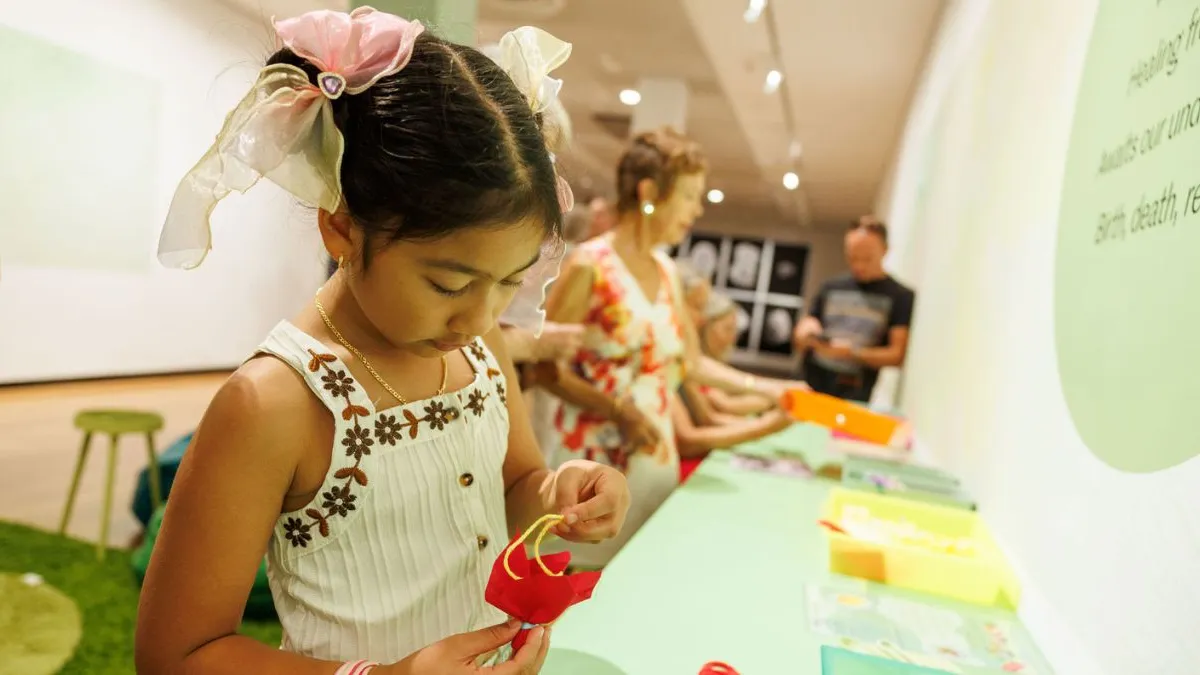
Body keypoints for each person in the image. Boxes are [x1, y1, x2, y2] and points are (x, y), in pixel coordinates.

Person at [136, 12, 630, 675]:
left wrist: (562, 492)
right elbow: (175, 653)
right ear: (341, 226)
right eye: (449, 282)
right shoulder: (274, 402)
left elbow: (515, 481)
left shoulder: (483, 348)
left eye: (509, 282)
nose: (479, 315)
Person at [539, 127, 800, 568]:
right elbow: (543, 367)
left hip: (654, 468)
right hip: (590, 471)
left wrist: (771, 390)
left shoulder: (667, 273)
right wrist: (617, 410)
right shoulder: (590, 265)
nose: (696, 211)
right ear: (649, 192)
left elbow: (692, 363)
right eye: (689, 197)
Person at [793, 217, 915, 402]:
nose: (859, 265)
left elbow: (897, 355)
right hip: (812, 379)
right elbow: (809, 323)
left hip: (855, 390)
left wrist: (852, 353)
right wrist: (807, 330)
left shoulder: (900, 296)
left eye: (867, 258)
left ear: (885, 250)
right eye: (852, 257)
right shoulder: (830, 287)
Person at [674, 293, 792, 474]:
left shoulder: (694, 362)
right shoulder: (680, 363)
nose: (699, 318)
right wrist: (768, 420)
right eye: (727, 329)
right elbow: (712, 415)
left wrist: (773, 395)